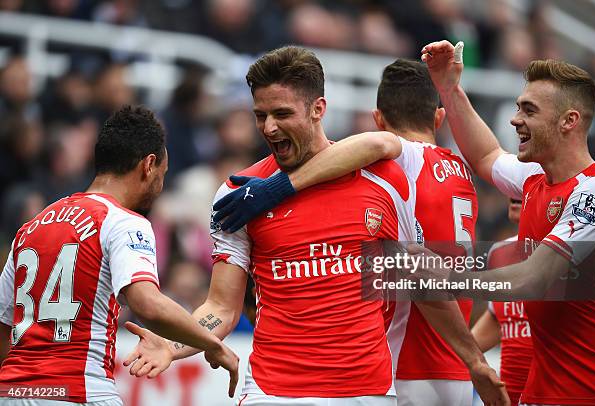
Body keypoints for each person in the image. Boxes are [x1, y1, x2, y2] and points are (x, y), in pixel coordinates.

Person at [124, 47, 506, 406]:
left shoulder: (387, 181)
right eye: (261, 115)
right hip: (273, 392)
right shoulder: (237, 195)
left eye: (282, 114)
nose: (270, 128)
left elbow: (421, 279)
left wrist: (475, 361)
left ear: (318, 109)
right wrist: (172, 344)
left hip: (365, 392)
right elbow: (222, 307)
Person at [0, 105, 239, 405]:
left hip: (12, 392)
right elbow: (147, 304)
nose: (161, 186)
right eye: (162, 175)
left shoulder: (33, 226)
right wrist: (212, 344)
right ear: (149, 165)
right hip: (80, 391)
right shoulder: (123, 221)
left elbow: (4, 321)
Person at [416, 41, 595, 405]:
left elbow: (532, 278)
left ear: (569, 121)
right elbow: (486, 154)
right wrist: (449, 88)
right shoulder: (535, 180)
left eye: (529, 110)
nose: (514, 119)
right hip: (539, 393)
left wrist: (443, 277)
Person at [472, 199, 533, 406]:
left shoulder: (582, 248)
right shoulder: (500, 252)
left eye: (523, 181)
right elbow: (499, 319)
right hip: (510, 399)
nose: (511, 190)